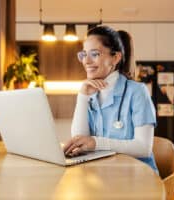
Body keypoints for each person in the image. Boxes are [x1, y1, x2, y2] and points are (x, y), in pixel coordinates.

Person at [63, 26, 159, 173]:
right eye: (83, 54)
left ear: (115, 58)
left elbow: (143, 148)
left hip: (139, 177)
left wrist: (96, 143)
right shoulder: (90, 93)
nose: (86, 61)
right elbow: (79, 139)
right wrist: (82, 97)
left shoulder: (137, 92)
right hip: (105, 174)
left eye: (94, 54)